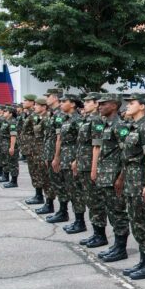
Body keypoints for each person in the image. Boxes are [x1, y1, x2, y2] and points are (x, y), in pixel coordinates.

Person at [119, 93, 145, 280]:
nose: (128, 106)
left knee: (144, 223)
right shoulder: (133, 126)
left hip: (141, 181)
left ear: (142, 106)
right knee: (135, 221)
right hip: (131, 180)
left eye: (132, 103)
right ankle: (143, 261)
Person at [92, 94, 130, 263]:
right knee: (112, 212)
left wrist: (121, 177)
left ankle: (121, 248)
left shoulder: (119, 125)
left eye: (103, 104)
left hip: (115, 176)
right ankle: (116, 245)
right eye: (99, 104)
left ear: (114, 106)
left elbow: (126, 153)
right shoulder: (107, 125)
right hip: (106, 176)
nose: (99, 106)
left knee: (118, 212)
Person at [76, 93, 109, 248]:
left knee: (95, 201)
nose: (85, 104)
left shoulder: (96, 120)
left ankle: (100, 234)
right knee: (89, 199)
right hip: (84, 163)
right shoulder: (87, 119)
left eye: (89, 102)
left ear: (96, 104)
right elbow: (82, 144)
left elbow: (97, 146)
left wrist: (94, 168)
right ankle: (95, 233)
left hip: (91, 165)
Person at [50, 94, 85, 230]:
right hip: (65, 156)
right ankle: (69, 215)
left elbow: (81, 142)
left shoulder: (78, 120)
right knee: (69, 188)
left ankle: (80, 222)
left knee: (76, 191)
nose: (61, 104)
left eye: (64, 101)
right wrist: (57, 157)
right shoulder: (65, 119)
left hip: (73, 157)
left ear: (73, 104)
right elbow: (60, 139)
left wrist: (76, 160)